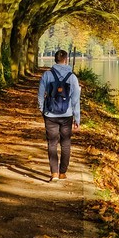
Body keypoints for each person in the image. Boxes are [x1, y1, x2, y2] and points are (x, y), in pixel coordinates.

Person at [37, 49, 82, 181]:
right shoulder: (72, 77)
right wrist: (77, 118)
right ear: (66, 60)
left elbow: (40, 94)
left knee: (52, 143)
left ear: (55, 59)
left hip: (50, 114)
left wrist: (42, 110)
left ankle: (54, 173)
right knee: (66, 144)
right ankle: (63, 172)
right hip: (66, 115)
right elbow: (75, 100)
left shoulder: (47, 75)